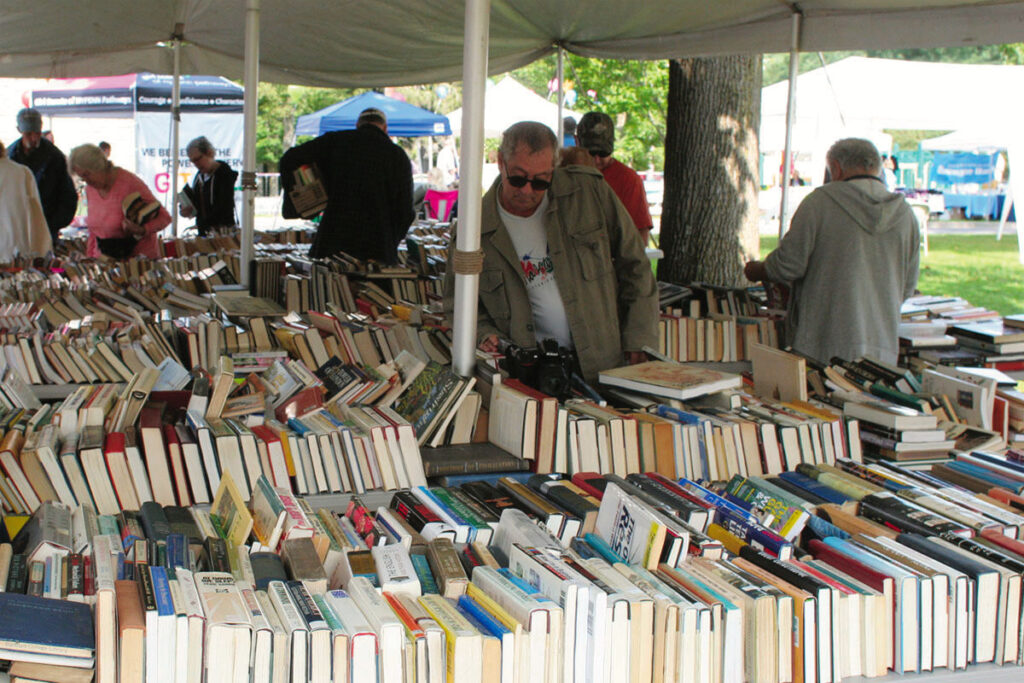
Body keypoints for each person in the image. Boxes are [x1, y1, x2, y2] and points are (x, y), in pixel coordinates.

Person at [444, 121, 658, 384]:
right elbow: (458, 304)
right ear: (501, 162)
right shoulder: (474, 229)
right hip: (529, 373)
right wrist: (484, 332)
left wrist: (639, 337)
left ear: (554, 169)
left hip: (603, 361)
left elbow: (635, 264)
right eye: (518, 178)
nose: (527, 191)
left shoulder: (588, 193)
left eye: (541, 182)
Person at [744, 138, 919, 365]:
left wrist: (758, 270)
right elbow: (907, 286)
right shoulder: (905, 214)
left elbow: (788, 265)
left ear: (835, 167)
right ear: (876, 167)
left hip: (821, 341)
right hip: (880, 345)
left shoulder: (820, 203)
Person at [280, 107, 414, 263]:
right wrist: (391, 241)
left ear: (358, 125)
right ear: (385, 128)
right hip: (378, 245)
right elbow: (406, 210)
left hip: (334, 240)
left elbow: (290, 158)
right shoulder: (397, 155)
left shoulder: (336, 141)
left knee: (329, 285)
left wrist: (310, 201)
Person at [69, 143, 171, 260]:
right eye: (82, 178)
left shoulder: (130, 183)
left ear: (98, 167)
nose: (86, 181)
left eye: (87, 175)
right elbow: (94, 232)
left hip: (137, 262)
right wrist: (90, 257)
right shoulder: (90, 189)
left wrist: (143, 229)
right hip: (106, 260)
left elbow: (165, 217)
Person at [575, 111, 654, 246]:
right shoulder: (566, 176)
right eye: (591, 152)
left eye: (604, 152)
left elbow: (641, 235)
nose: (597, 159)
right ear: (577, 142)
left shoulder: (629, 179)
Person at [6, 108, 77, 244]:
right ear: (19, 130)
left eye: (37, 133)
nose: (33, 138)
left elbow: (68, 195)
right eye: (28, 134)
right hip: (16, 228)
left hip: (47, 225)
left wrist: (53, 224)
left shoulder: (55, 157)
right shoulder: (9, 156)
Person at [0, 141, 52, 260]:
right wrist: (42, 254)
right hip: (14, 253)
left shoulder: (22, 173)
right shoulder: (21, 172)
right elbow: (37, 217)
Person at [180, 136, 238, 234]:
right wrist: (185, 210)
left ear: (209, 153)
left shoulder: (224, 174)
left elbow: (224, 207)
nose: (196, 164)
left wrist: (204, 222)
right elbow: (197, 204)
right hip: (204, 233)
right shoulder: (199, 177)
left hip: (222, 234)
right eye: (193, 161)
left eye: (198, 159)